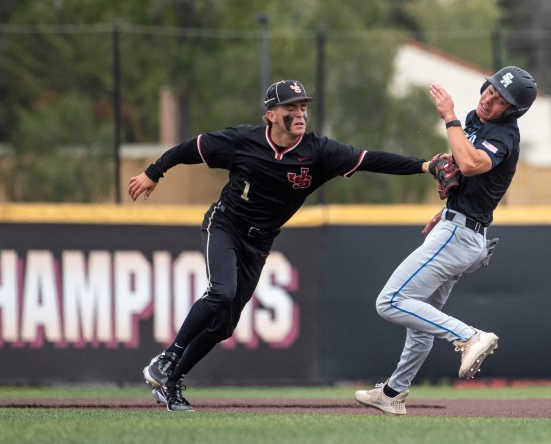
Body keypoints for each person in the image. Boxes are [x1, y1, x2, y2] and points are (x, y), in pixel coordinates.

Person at [129, 79, 430, 412]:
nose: (300, 114)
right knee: (222, 292)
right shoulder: (242, 140)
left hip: (259, 241)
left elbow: (372, 159)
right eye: (291, 108)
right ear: (271, 114)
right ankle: (168, 357)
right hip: (226, 224)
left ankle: (170, 384)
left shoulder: (319, 151)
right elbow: (190, 149)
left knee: (224, 326)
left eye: (303, 107)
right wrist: (154, 172)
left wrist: (424, 166)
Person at [354, 66, 537, 416]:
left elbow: (468, 165)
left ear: (512, 111)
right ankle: (393, 393)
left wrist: (449, 117)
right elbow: (469, 176)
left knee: (391, 301)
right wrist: (451, 208)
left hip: (460, 235)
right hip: (462, 228)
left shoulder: (503, 135)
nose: (489, 98)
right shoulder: (478, 120)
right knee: (420, 317)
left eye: (500, 100)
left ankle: (468, 335)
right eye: (490, 89)